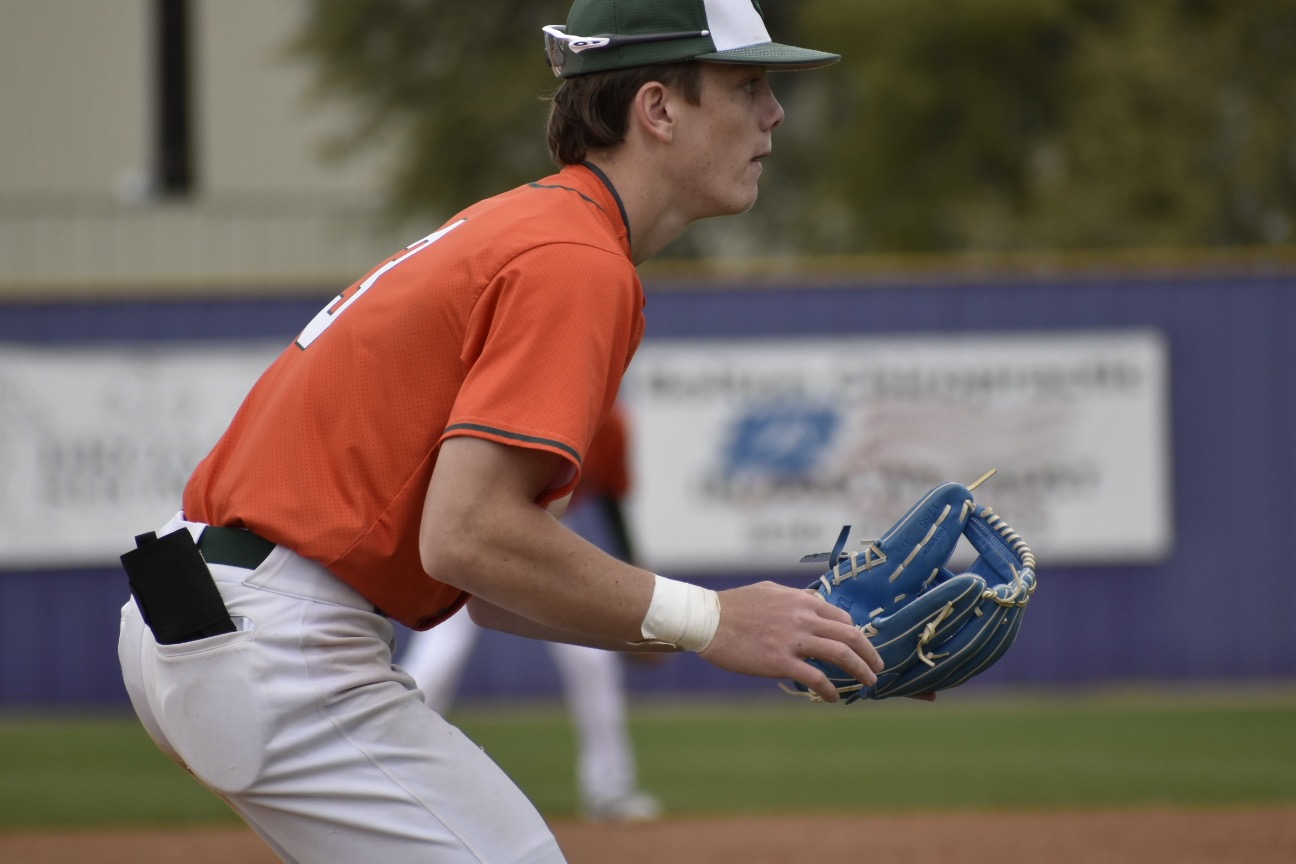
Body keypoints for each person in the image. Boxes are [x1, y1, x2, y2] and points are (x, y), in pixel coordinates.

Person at [117, 1, 884, 861]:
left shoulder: (540, 228)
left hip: (217, 608)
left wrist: (759, 631)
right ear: (659, 109)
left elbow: (493, 585)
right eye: (747, 85)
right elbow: (467, 537)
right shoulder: (576, 261)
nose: (774, 113)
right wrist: (710, 619)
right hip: (277, 632)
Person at [399, 404, 663, 823]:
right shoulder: (527, 399)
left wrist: (637, 588)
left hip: (542, 534)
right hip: (474, 528)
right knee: (438, 657)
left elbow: (611, 501)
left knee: (591, 661)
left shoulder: (611, 424)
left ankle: (609, 790)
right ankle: (395, 781)